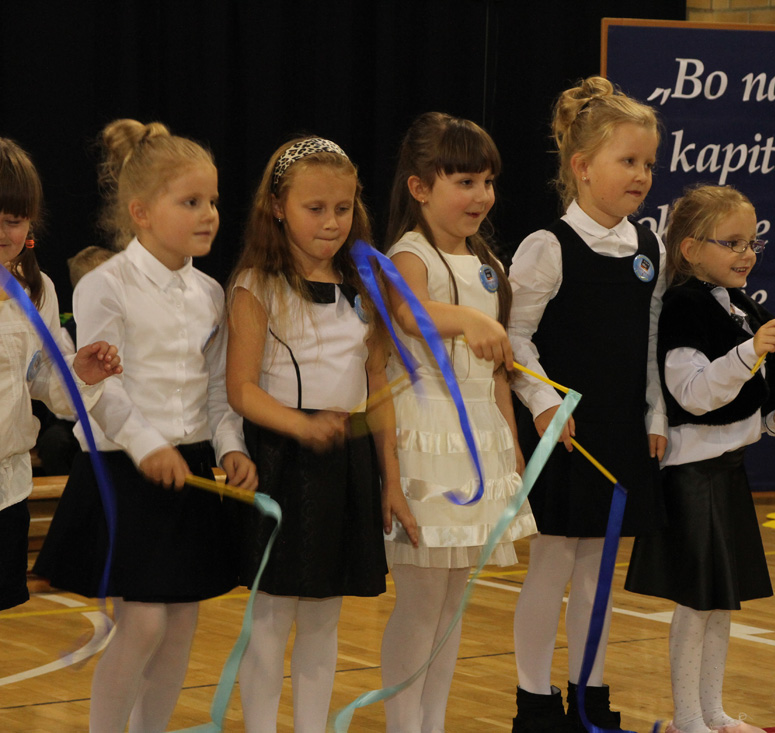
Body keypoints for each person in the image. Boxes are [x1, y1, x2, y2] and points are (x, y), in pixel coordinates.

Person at [32, 119, 257, 733]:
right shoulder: (106, 285)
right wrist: (146, 444)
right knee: (144, 623)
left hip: (190, 467)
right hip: (125, 472)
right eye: (191, 202)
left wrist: (230, 447)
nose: (209, 214)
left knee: (181, 623)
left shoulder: (210, 293)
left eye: (212, 201)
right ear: (141, 213)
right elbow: (98, 385)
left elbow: (218, 388)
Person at [225, 137, 405, 732]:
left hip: (346, 462)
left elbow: (377, 387)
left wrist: (391, 480)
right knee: (271, 620)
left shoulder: (364, 286)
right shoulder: (257, 285)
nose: (332, 222)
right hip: (284, 460)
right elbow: (241, 388)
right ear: (277, 207)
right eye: (315, 208)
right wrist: (301, 424)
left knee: (325, 620)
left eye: (343, 208)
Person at [509, 75, 667, 733]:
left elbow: (652, 341)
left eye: (648, 163)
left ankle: (589, 698)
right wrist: (545, 404)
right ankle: (534, 702)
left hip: (620, 427)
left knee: (600, 572)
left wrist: (657, 414)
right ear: (581, 166)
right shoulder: (548, 246)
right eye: (627, 161)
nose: (641, 175)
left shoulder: (649, 248)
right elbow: (514, 337)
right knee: (551, 566)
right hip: (564, 432)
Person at [625, 184, 775, 733]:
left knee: (720, 603)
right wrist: (748, 352)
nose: (746, 254)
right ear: (689, 249)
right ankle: (687, 717)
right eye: (732, 243)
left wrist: (773, 421)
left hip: (727, 473)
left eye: (752, 242)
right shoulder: (684, 307)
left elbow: (732, 414)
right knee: (696, 603)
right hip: (692, 478)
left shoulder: (743, 308)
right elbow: (693, 395)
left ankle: (712, 711)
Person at [379, 111, 536, 733]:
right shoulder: (409, 254)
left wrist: (511, 440)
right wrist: (471, 321)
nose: (482, 196)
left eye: (488, 182)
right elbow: (410, 314)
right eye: (465, 182)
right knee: (420, 603)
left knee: (451, 605)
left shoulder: (486, 260)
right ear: (420, 187)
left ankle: (432, 723)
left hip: (479, 440)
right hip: (427, 439)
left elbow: (497, 370)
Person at [0, 137, 120, 612]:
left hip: (7, 491)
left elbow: (40, 379)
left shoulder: (38, 290)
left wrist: (80, 373)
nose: (2, 231)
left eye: (14, 220)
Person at [33, 245, 117, 477]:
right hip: (76, 420)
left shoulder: (134, 327)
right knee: (55, 442)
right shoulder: (66, 334)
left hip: (122, 416)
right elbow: (59, 395)